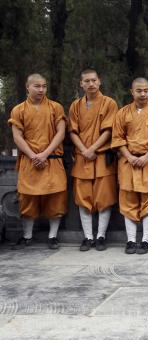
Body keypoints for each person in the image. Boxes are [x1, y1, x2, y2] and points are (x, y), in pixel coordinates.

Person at [9, 74, 68, 250]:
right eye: (37, 86)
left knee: (56, 199)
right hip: (30, 161)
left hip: (52, 160)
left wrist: (44, 154)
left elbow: (61, 133)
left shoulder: (55, 107)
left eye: (44, 86)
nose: (41, 90)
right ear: (28, 87)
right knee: (27, 199)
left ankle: (52, 236)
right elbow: (17, 136)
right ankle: (27, 236)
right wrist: (33, 155)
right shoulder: (18, 110)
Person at [111, 78, 148, 255]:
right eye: (139, 91)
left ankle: (145, 240)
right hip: (128, 162)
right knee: (128, 201)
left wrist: (147, 155)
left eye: (146, 91)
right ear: (132, 92)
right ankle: (131, 240)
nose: (142, 94)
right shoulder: (122, 113)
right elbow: (117, 138)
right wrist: (128, 155)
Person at [68, 69, 119, 251]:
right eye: (87, 81)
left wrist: (92, 149)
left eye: (94, 80)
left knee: (103, 198)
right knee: (83, 198)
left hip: (101, 156)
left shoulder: (109, 103)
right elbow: (72, 131)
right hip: (82, 158)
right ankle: (88, 237)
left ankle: (101, 236)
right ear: (81, 84)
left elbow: (109, 130)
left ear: (100, 81)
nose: (91, 84)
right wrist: (84, 150)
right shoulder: (75, 106)